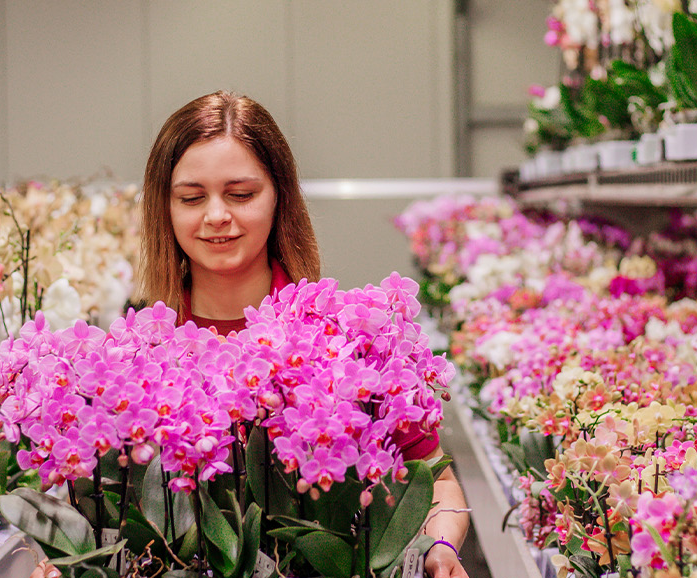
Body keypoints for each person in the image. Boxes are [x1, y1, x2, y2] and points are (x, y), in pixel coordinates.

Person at [138, 91, 471, 578]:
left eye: (241, 194)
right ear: (164, 207)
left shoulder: (350, 342)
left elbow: (436, 483)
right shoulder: (140, 355)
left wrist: (440, 548)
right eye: (191, 198)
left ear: (280, 197)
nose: (215, 216)